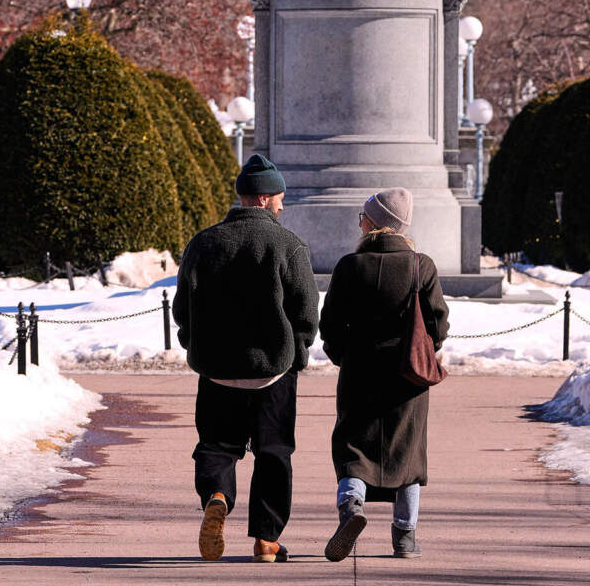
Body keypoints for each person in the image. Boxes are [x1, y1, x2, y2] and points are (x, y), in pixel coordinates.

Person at [173, 153, 319, 564]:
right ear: (266, 199)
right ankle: (266, 540)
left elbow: (183, 307)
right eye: (280, 198)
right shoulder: (289, 245)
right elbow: (306, 313)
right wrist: (298, 354)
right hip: (273, 372)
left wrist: (195, 344)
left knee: (216, 447)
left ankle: (217, 495)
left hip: (217, 370)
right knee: (273, 454)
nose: (283, 206)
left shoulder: (203, 242)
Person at [319, 187, 449, 561]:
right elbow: (438, 323)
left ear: (374, 224)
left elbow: (330, 324)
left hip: (359, 370)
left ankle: (352, 507)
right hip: (408, 376)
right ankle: (405, 537)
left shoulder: (349, 266)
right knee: (408, 454)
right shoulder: (420, 266)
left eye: (363, 217)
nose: (359, 223)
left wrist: (343, 355)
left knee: (353, 445)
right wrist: (424, 351)